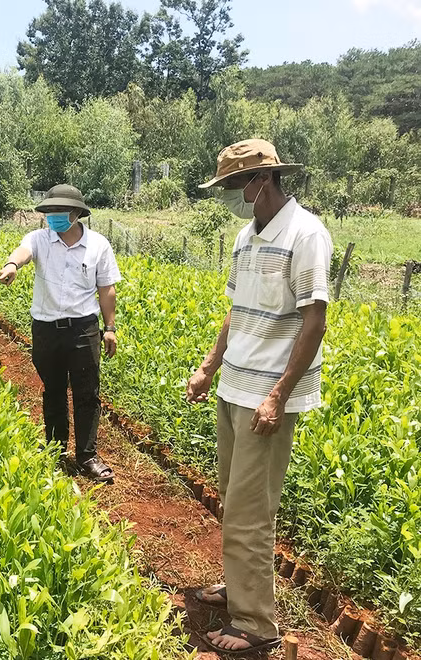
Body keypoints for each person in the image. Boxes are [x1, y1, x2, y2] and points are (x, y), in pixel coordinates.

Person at [187, 139, 332, 655]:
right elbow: (236, 310)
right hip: (234, 387)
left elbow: (314, 321)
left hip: (265, 397)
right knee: (234, 499)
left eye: (232, 185)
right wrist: (209, 366)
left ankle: (256, 625)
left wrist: (278, 395)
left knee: (251, 512)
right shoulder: (245, 237)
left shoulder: (305, 234)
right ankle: (239, 587)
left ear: (262, 180)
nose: (228, 195)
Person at [0, 184, 119, 484]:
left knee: (87, 393)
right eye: (49, 211)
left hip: (83, 329)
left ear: (76, 213)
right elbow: (23, 252)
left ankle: (87, 455)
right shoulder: (39, 238)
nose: (52, 216)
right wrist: (12, 265)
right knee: (53, 390)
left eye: (58, 211)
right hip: (46, 329)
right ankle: (55, 449)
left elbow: (107, 289)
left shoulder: (98, 245)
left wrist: (110, 328)